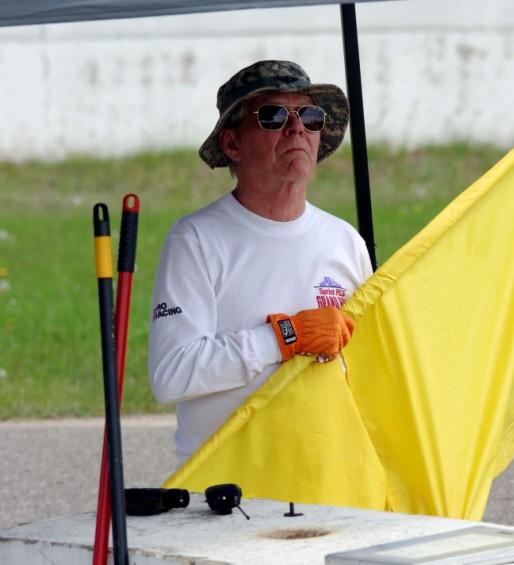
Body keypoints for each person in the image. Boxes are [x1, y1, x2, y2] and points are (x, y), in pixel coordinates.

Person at [148, 60, 373, 463]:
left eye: (309, 115)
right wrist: (287, 336)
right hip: (227, 485)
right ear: (233, 144)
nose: (296, 128)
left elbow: (371, 370)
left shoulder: (346, 242)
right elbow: (172, 375)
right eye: (272, 116)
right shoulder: (196, 240)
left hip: (329, 474)